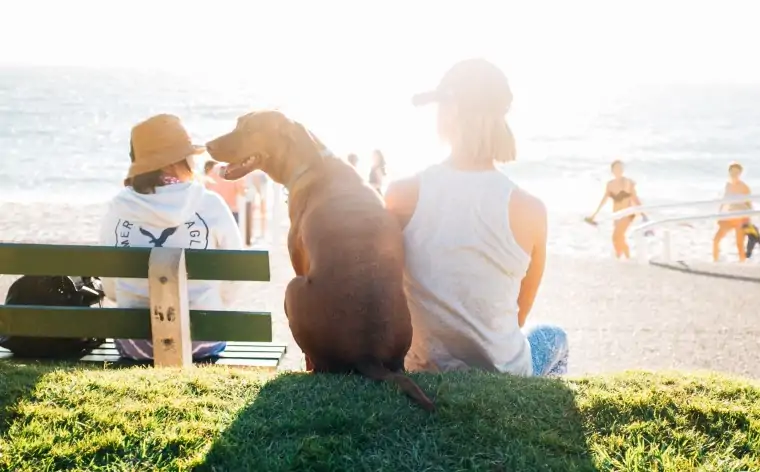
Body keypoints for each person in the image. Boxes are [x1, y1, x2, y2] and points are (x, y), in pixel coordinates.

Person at [385, 58, 567, 377]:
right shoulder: (531, 210)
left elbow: (387, 288)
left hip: (423, 367)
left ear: (451, 111)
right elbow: (517, 318)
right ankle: (542, 414)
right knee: (555, 337)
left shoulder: (402, 194)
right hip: (503, 372)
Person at [99, 114, 243, 360]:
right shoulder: (209, 203)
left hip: (136, 342)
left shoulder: (118, 207)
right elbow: (235, 276)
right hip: (203, 338)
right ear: (177, 161)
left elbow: (110, 288)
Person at [586, 160, 642, 259]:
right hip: (616, 215)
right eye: (616, 168)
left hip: (628, 213)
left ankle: (627, 258)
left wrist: (644, 214)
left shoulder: (628, 182)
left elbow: (635, 198)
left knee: (616, 236)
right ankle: (621, 257)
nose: (619, 170)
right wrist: (594, 214)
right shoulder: (610, 184)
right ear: (612, 171)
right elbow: (604, 200)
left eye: (620, 168)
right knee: (618, 238)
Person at [713, 162, 753, 262]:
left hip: (740, 218)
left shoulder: (744, 187)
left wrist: (748, 220)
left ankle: (742, 264)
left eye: (737, 172)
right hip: (729, 217)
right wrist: (720, 216)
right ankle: (715, 261)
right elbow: (724, 201)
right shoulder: (728, 185)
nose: (734, 174)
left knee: (739, 244)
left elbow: (749, 204)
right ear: (729, 173)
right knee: (716, 239)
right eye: (732, 172)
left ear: (740, 173)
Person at [244, 170, 269, 245]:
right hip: (252, 174)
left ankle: (262, 234)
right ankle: (251, 235)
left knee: (262, 207)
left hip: (259, 174)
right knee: (251, 207)